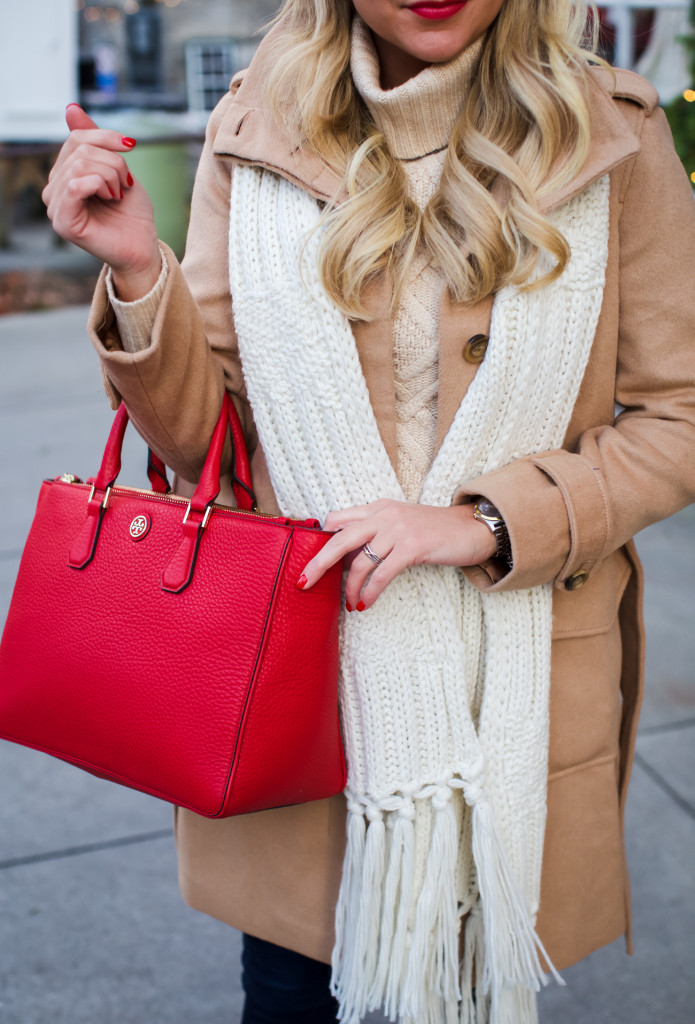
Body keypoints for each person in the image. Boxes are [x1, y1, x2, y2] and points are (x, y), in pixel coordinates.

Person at [43, 1, 695, 1022]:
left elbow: (678, 414)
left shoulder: (611, 132)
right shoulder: (257, 127)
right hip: (298, 673)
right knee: (293, 992)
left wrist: (488, 522)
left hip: (509, 677)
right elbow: (206, 439)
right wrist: (136, 270)